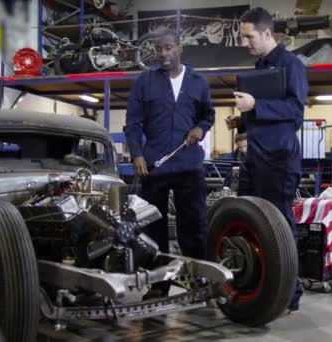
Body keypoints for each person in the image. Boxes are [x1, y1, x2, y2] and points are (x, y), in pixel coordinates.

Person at [226, 7, 308, 312]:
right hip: (253, 159)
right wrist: (242, 123)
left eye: (249, 37)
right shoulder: (256, 68)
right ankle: (261, 283)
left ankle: (290, 292)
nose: (245, 43)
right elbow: (256, 114)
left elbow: (295, 113)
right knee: (252, 221)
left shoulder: (292, 66)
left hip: (279, 161)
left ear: (267, 33)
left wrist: (256, 104)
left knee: (280, 226)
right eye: (242, 37)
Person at [125, 29, 215, 291]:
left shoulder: (198, 81)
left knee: (194, 226)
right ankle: (158, 285)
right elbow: (132, 122)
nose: (163, 54)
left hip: (189, 165)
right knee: (154, 228)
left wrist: (201, 128)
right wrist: (137, 153)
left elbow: (207, 115)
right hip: (155, 167)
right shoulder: (145, 81)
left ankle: (199, 281)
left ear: (179, 48)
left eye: (168, 48)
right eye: (158, 49)